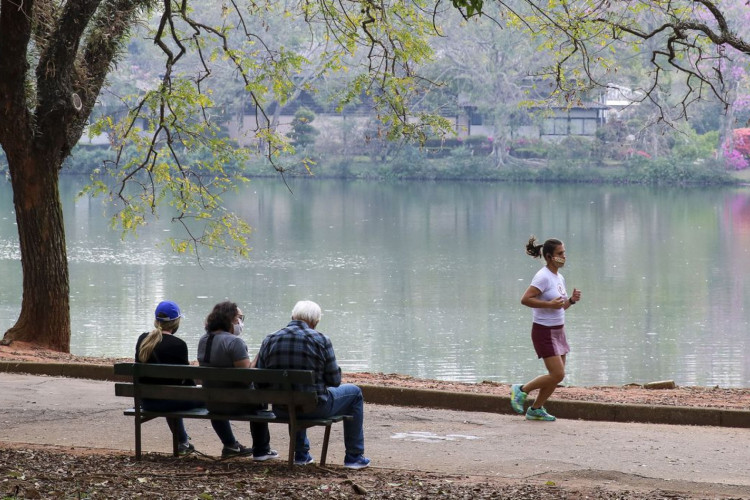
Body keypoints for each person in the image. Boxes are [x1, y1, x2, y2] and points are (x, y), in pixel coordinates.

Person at [257, 300, 370, 469]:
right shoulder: (321, 339)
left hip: (281, 408)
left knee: (293, 394)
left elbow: (260, 382)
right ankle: (354, 456)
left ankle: (301, 454)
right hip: (315, 408)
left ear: (292, 316)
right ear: (315, 322)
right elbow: (334, 380)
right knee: (354, 393)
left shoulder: (270, 339)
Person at [511, 237, 582, 422]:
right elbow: (525, 299)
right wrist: (549, 304)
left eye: (564, 253)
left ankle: (535, 409)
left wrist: (571, 301)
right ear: (549, 257)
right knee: (558, 374)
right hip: (544, 331)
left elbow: (559, 307)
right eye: (560, 254)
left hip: (558, 331)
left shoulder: (559, 277)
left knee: (555, 377)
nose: (564, 256)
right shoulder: (542, 276)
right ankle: (521, 390)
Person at [197, 300, 279, 461]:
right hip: (238, 403)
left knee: (219, 395)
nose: (241, 322)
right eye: (239, 318)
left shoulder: (203, 340)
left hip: (212, 402)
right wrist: (259, 356)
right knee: (260, 399)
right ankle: (262, 449)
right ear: (229, 319)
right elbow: (246, 378)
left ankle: (230, 445)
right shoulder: (235, 342)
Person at [135, 300, 201, 455]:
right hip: (170, 401)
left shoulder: (142, 339)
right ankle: (230, 443)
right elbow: (187, 382)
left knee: (170, 394)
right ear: (176, 322)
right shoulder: (179, 345)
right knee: (204, 396)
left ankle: (183, 442)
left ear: (156, 320)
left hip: (147, 402)